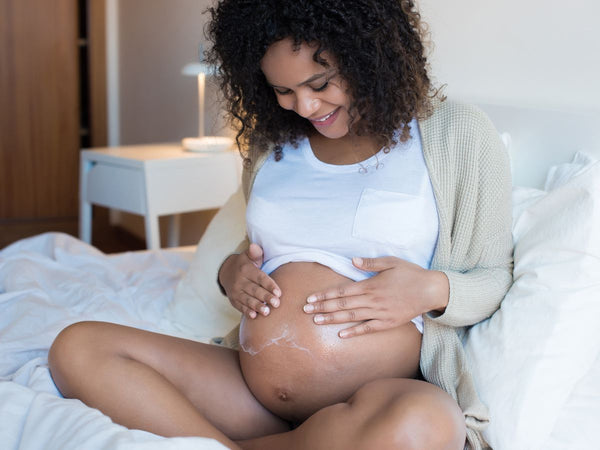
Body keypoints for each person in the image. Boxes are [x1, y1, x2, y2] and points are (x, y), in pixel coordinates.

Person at [48, 1, 513, 449]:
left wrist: (431, 290)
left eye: (321, 83)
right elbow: (258, 249)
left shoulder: (456, 133)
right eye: (284, 91)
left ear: (369, 55)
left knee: (427, 428)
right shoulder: (271, 144)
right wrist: (229, 273)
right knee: (77, 348)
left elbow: (494, 276)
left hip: (377, 397)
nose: (306, 107)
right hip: (252, 396)